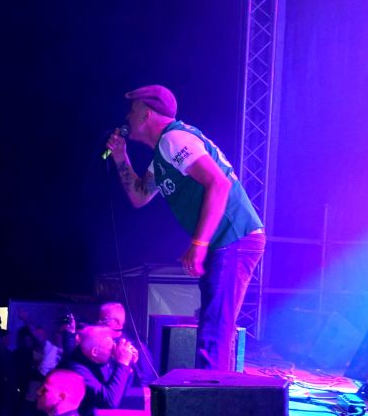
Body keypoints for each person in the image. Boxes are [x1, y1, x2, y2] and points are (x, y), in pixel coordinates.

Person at [106, 85, 265, 371]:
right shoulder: (163, 153)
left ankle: (209, 394)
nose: (127, 116)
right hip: (225, 241)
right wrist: (120, 156)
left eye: (132, 110)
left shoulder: (174, 139)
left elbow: (219, 184)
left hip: (234, 236)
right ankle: (209, 389)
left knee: (214, 330)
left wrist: (199, 244)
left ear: (147, 114)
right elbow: (139, 196)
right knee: (212, 325)